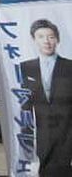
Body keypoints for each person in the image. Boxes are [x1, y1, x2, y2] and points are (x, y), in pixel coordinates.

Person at [21, 19, 72, 177]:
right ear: (34, 40)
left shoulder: (70, 66)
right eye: (41, 37)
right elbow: (23, 103)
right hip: (41, 132)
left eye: (51, 37)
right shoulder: (25, 67)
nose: (47, 41)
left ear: (57, 39)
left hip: (67, 131)